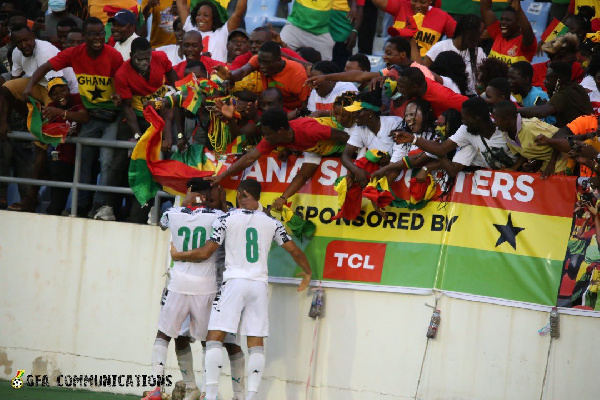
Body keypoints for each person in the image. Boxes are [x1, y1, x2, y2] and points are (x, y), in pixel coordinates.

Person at [170, 178, 312, 400]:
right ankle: (251, 397)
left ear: (241, 193)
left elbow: (207, 252)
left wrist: (179, 255)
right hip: (258, 285)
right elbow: (293, 250)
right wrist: (307, 272)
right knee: (255, 341)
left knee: (215, 337)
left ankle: (211, 395)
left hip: (233, 283)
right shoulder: (272, 222)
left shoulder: (226, 219)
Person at [24, 17, 124, 216]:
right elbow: (45, 67)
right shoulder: (74, 53)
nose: (98, 38)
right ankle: (80, 206)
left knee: (105, 160)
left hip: (112, 117)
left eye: (101, 33)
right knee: (83, 160)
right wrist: (29, 86)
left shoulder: (113, 55)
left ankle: (100, 205)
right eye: (93, 34)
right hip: (90, 115)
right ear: (85, 36)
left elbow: (122, 82)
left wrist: (118, 95)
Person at [145, 178, 225, 400]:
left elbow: (161, 223)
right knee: (207, 340)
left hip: (178, 284)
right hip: (206, 287)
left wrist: (183, 205)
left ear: (189, 191)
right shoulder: (218, 217)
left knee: (163, 334)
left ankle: (155, 389)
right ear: (207, 194)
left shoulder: (172, 213)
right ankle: (208, 393)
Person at [93, 37, 177, 221]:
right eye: (140, 59)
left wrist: (174, 92)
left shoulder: (160, 57)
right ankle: (108, 207)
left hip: (159, 115)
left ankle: (159, 208)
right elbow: (127, 108)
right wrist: (137, 135)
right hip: (135, 119)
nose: (145, 62)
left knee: (166, 158)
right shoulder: (122, 74)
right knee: (121, 159)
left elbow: (172, 77)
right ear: (131, 56)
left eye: (147, 58)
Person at [209, 108, 348, 192]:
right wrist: (221, 176)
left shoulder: (309, 130)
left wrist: (347, 158)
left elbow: (345, 137)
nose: (265, 137)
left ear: (281, 131)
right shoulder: (275, 138)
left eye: (268, 133)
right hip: (324, 149)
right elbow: (249, 158)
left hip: (346, 140)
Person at [394, 96, 517, 171]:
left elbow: (527, 150)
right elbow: (442, 149)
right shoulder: (466, 130)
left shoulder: (503, 128)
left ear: (477, 118)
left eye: (465, 118)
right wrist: (412, 139)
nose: (462, 122)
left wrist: (515, 168)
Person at [221, 41, 310, 112]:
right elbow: (243, 71)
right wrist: (230, 76)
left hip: (292, 111)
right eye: (260, 62)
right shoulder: (259, 60)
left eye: (266, 63)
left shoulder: (297, 73)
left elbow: (305, 108)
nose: (261, 66)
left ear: (279, 60)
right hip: (268, 105)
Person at [44, 76, 89, 215]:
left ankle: (81, 211)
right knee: (58, 191)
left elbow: (84, 117)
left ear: (69, 89)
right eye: (55, 93)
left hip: (82, 155)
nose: (60, 96)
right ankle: (54, 212)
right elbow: (47, 129)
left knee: (84, 186)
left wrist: (62, 113)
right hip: (62, 156)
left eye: (62, 90)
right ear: (51, 96)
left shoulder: (78, 99)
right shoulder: (51, 107)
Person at [341, 89, 402, 187]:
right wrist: (357, 171)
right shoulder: (359, 128)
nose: (354, 115)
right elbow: (345, 156)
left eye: (358, 112)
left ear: (370, 112)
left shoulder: (395, 123)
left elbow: (404, 153)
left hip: (400, 172)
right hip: (381, 172)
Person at [371, 98, 439, 183]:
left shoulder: (437, 134)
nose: (408, 119)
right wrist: (378, 188)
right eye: (406, 115)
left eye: (412, 114)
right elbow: (395, 166)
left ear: (425, 114)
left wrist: (385, 169)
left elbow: (419, 159)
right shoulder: (404, 137)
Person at [494, 100, 567, 177]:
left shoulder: (530, 126)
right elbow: (524, 152)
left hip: (560, 164)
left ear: (506, 120)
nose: (494, 122)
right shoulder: (506, 135)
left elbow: (560, 137)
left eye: (495, 119)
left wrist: (551, 164)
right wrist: (514, 168)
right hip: (544, 168)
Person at [422, 14, 486, 96]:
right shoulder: (441, 47)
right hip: (441, 94)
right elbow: (424, 70)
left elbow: (484, 81)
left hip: (468, 98)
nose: (482, 37)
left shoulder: (479, 53)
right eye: (479, 33)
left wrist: (480, 87)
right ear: (468, 32)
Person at [519, 61, 593, 128]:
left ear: (558, 80)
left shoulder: (562, 95)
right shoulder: (578, 88)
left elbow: (543, 112)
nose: (544, 82)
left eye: (548, 78)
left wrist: (516, 110)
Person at [372, 0, 456, 57]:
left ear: (431, 1)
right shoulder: (401, 6)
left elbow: (461, 35)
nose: (418, 6)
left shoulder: (442, 17)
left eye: (423, 2)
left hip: (423, 67)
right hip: (395, 63)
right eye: (414, 1)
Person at [176, 0, 247, 63]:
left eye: (206, 15)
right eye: (198, 15)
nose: (201, 18)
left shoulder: (222, 33)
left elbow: (238, 14)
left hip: (216, 76)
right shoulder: (191, 29)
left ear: (214, 18)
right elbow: (181, 4)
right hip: (191, 76)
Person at [393, 67, 467, 117]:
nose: (398, 89)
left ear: (415, 87)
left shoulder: (443, 98)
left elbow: (469, 106)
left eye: (401, 87)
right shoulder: (416, 83)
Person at [480, 0, 537, 65]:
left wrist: (518, 10)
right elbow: (486, 9)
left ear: (518, 23)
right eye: (502, 19)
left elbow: (527, 29)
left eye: (508, 20)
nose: (503, 23)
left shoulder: (525, 43)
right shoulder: (498, 33)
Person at [329, 0, 362, 70]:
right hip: (323, 26)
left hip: (343, 28)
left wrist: (355, 31)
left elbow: (360, 8)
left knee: (341, 66)